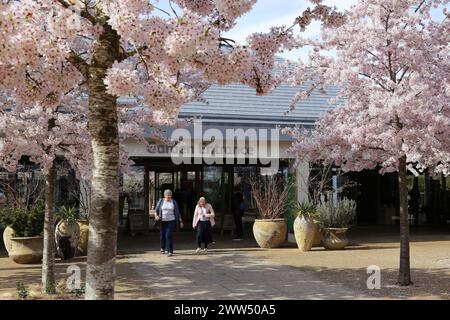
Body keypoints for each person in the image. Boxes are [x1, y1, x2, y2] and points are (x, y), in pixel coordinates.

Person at [155, 189, 184, 257]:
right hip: (162, 221)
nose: (169, 196)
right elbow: (156, 210)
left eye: (170, 195)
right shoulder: (161, 201)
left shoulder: (174, 202)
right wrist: (156, 216)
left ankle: (170, 251)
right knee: (162, 236)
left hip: (171, 220)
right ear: (164, 195)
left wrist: (181, 221)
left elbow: (177, 212)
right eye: (167, 195)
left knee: (169, 235)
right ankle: (162, 247)